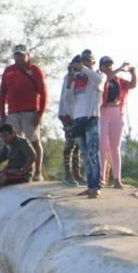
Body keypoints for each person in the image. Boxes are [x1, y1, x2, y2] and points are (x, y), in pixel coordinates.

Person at [0, 44, 48, 182]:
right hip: (13, 112)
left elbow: (43, 93)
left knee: (34, 141)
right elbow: (2, 93)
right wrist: (2, 114)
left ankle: (37, 171)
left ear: (27, 55)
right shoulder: (9, 71)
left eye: (21, 55)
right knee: (15, 142)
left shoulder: (35, 70)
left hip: (30, 111)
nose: (19, 57)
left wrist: (40, 113)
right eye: (16, 55)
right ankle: (18, 170)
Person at [69, 50, 105, 198]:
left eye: (88, 60)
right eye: (83, 60)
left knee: (92, 154)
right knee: (85, 155)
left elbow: (98, 81)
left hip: (92, 118)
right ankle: (90, 185)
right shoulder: (77, 78)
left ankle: (95, 187)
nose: (85, 62)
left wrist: (83, 68)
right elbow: (68, 98)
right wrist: (70, 79)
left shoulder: (98, 75)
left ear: (93, 62)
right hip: (78, 119)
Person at [99, 57, 138, 188]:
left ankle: (117, 178)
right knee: (102, 146)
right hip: (103, 112)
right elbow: (104, 82)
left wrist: (133, 73)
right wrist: (119, 69)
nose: (109, 67)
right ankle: (101, 177)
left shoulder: (118, 81)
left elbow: (132, 85)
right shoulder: (99, 78)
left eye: (110, 65)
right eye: (106, 65)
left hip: (116, 112)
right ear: (101, 67)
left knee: (114, 147)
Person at [57, 56, 84, 185]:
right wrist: (70, 116)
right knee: (70, 144)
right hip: (68, 115)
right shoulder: (69, 77)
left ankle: (77, 173)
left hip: (77, 115)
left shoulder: (81, 77)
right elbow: (68, 98)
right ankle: (68, 175)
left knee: (77, 145)